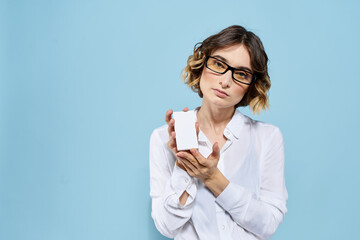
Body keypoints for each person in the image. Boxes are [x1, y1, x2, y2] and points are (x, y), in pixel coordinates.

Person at [149, 25, 288, 240]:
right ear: (202, 62)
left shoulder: (267, 138)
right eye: (218, 64)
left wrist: (213, 178)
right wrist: (184, 165)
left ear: (251, 85)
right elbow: (167, 227)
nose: (225, 81)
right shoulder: (163, 138)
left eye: (241, 73)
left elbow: (268, 223)